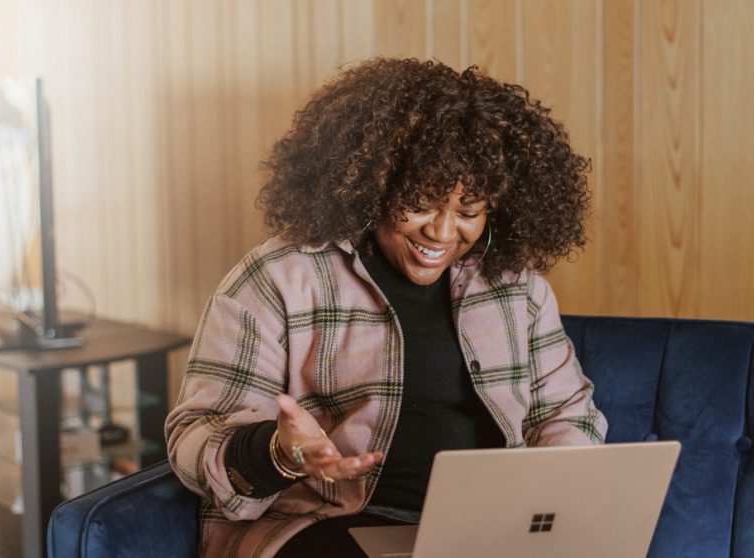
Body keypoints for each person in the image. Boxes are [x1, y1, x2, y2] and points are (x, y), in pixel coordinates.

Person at [164, 57, 608, 558]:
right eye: (419, 203)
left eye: (468, 212)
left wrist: (553, 498)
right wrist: (277, 453)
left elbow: (567, 413)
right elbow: (193, 437)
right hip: (326, 523)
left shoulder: (517, 287)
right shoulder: (279, 278)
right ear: (374, 186)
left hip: (484, 530)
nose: (441, 233)